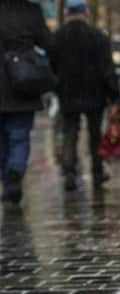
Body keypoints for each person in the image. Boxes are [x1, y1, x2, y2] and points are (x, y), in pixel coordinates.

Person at [52, 0, 120, 191]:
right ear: (86, 13)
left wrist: (57, 88)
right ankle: (97, 172)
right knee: (95, 135)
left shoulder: (57, 37)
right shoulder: (98, 37)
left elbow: (51, 68)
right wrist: (113, 96)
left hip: (68, 95)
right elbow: (108, 69)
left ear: (66, 13)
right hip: (95, 95)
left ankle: (70, 172)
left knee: (69, 133)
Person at [0, 0, 52, 204]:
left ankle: (7, 183)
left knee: (2, 141)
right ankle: (16, 169)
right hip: (23, 80)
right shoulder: (31, 11)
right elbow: (48, 42)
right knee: (19, 135)